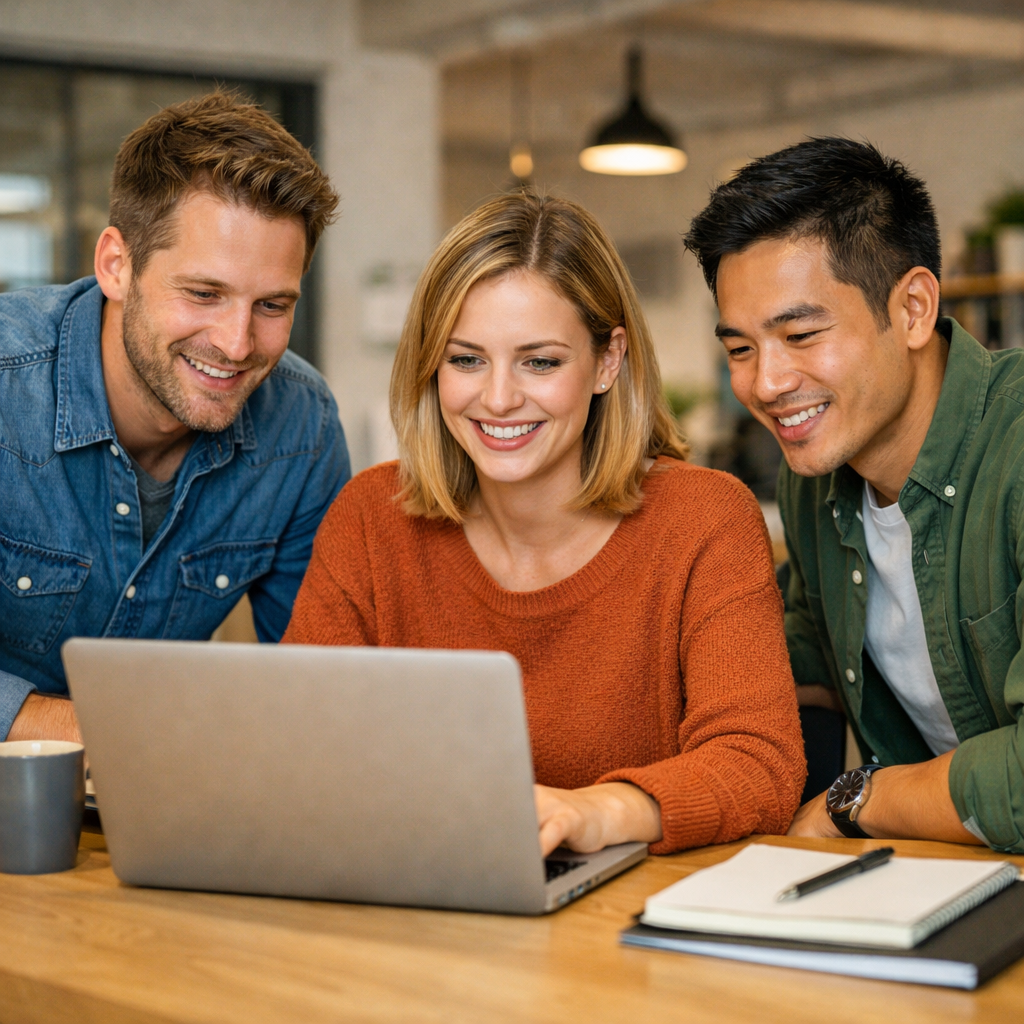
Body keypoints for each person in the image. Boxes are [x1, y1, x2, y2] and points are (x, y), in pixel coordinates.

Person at [283, 190, 805, 856]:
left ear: (608, 361)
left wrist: (604, 810)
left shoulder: (704, 520)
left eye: (540, 361)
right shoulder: (370, 518)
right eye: (466, 359)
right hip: (415, 905)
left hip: (624, 928)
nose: (498, 397)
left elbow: (758, 763)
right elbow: (301, 750)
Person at [685, 136, 1024, 852]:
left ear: (912, 309)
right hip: (947, 883)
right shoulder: (817, 487)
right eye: (740, 349)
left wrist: (861, 797)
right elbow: (792, 669)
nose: (766, 384)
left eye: (801, 334)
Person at [0, 93, 350, 744]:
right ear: (117, 266)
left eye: (272, 304)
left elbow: (314, 681)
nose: (238, 343)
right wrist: (92, 730)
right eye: (203, 293)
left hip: (158, 804)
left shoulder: (303, 429)